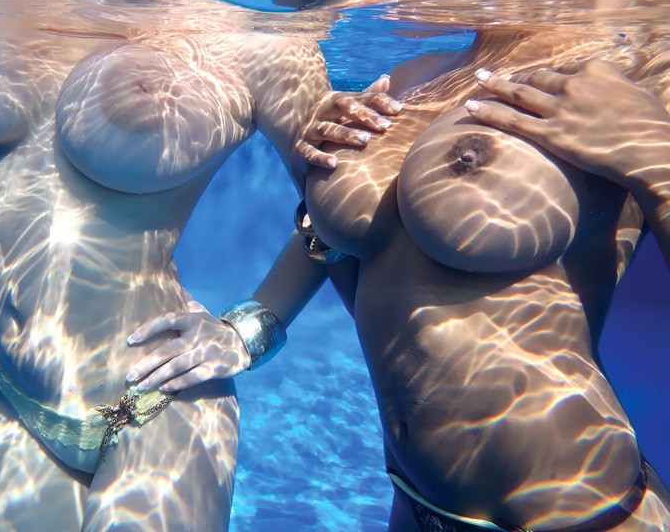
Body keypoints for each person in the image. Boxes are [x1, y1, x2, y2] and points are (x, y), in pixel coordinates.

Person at [128, 27, 670, 530]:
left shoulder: (646, 68)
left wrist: (653, 156)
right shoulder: (420, 73)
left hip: (580, 512)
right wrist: (248, 329)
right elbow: (360, 237)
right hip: (412, 499)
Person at [0, 0, 401, 532]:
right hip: (15, 400)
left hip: (154, 407)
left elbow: (341, 206)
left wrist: (251, 331)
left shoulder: (258, 40)